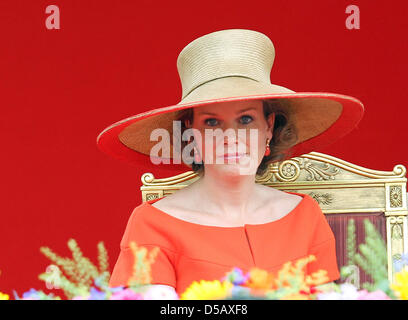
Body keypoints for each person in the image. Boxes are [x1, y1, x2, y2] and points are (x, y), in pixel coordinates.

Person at [96, 29, 364, 297]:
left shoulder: (305, 215)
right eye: (211, 122)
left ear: (268, 127)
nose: (230, 138)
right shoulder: (152, 223)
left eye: (246, 120)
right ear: (191, 133)